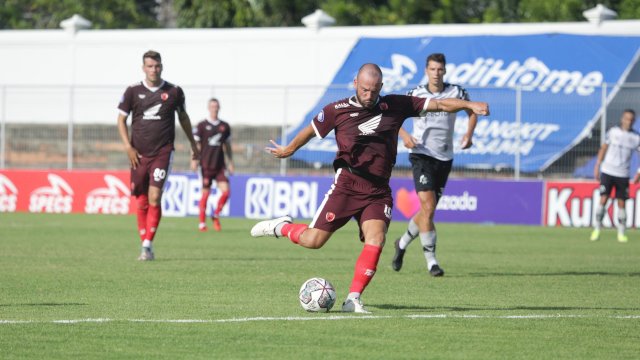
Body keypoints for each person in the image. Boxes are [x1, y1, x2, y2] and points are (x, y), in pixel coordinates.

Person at [250, 63, 489, 313]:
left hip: (378, 190)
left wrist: (469, 106)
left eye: (374, 91)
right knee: (313, 241)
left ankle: (353, 299)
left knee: (377, 239)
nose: (369, 95)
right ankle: (281, 227)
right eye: (364, 89)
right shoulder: (337, 110)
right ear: (355, 83)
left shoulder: (396, 105)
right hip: (347, 184)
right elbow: (311, 131)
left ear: (381, 88)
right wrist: (289, 149)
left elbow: (439, 105)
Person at [391, 53, 478, 277]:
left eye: (440, 69)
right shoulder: (416, 93)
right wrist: (404, 135)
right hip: (421, 155)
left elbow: (472, 111)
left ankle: (401, 244)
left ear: (445, 71)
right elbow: (393, 117)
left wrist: (469, 134)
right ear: (426, 70)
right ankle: (432, 262)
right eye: (432, 69)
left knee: (426, 211)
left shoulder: (456, 92)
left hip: (445, 158)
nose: (436, 73)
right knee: (428, 208)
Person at [117, 50, 199, 261]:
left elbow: (184, 118)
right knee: (142, 200)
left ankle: (147, 244)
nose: (154, 70)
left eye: (157, 66)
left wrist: (193, 144)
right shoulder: (132, 91)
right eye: (150, 66)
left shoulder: (174, 91)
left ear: (162, 66)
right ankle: (144, 240)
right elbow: (120, 120)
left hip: (163, 152)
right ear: (143, 68)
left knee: (155, 196)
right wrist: (128, 146)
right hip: (138, 154)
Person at [591, 109, 640, 243]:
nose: (628, 121)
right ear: (622, 119)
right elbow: (604, 148)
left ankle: (621, 233)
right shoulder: (613, 132)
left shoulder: (636, 137)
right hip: (607, 171)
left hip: (623, 174)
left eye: (631, 119)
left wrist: (639, 172)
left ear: (633, 121)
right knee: (603, 200)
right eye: (626, 118)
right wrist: (597, 165)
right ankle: (596, 229)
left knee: (621, 204)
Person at [191, 98, 234, 232]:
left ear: (219, 108)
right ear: (208, 108)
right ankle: (202, 224)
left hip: (219, 165)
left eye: (216, 106)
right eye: (212, 106)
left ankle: (216, 214)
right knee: (205, 194)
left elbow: (227, 146)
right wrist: (193, 160)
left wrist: (231, 162)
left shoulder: (224, 126)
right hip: (205, 165)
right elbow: (196, 144)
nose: (214, 108)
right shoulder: (201, 126)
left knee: (226, 192)